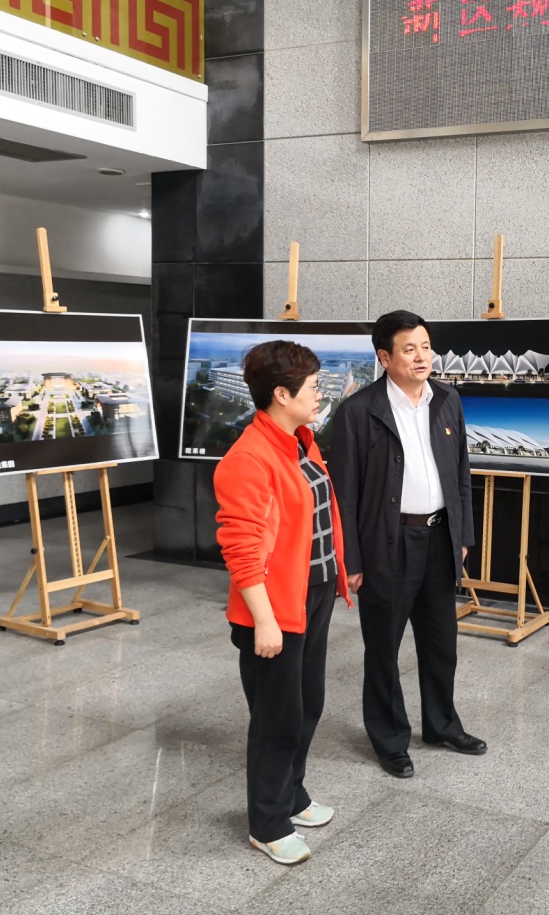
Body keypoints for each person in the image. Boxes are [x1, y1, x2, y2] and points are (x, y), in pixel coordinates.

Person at [328, 310, 487, 779]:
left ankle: (442, 725)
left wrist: (462, 535)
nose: (422, 357)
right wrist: (351, 559)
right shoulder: (359, 411)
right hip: (387, 543)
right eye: (409, 349)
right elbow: (344, 494)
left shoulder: (447, 399)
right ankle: (390, 740)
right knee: (383, 649)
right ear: (385, 357)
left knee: (441, 644)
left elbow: (461, 473)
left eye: (426, 347)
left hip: (440, 538)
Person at [213, 340, 351, 866]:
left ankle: (292, 795)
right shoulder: (248, 458)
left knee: (308, 703)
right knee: (278, 719)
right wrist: (264, 621)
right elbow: (242, 550)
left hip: (312, 592)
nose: (320, 394)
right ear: (281, 394)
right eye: (313, 387)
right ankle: (267, 823)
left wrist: (338, 575)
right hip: (272, 608)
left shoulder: (300, 442)